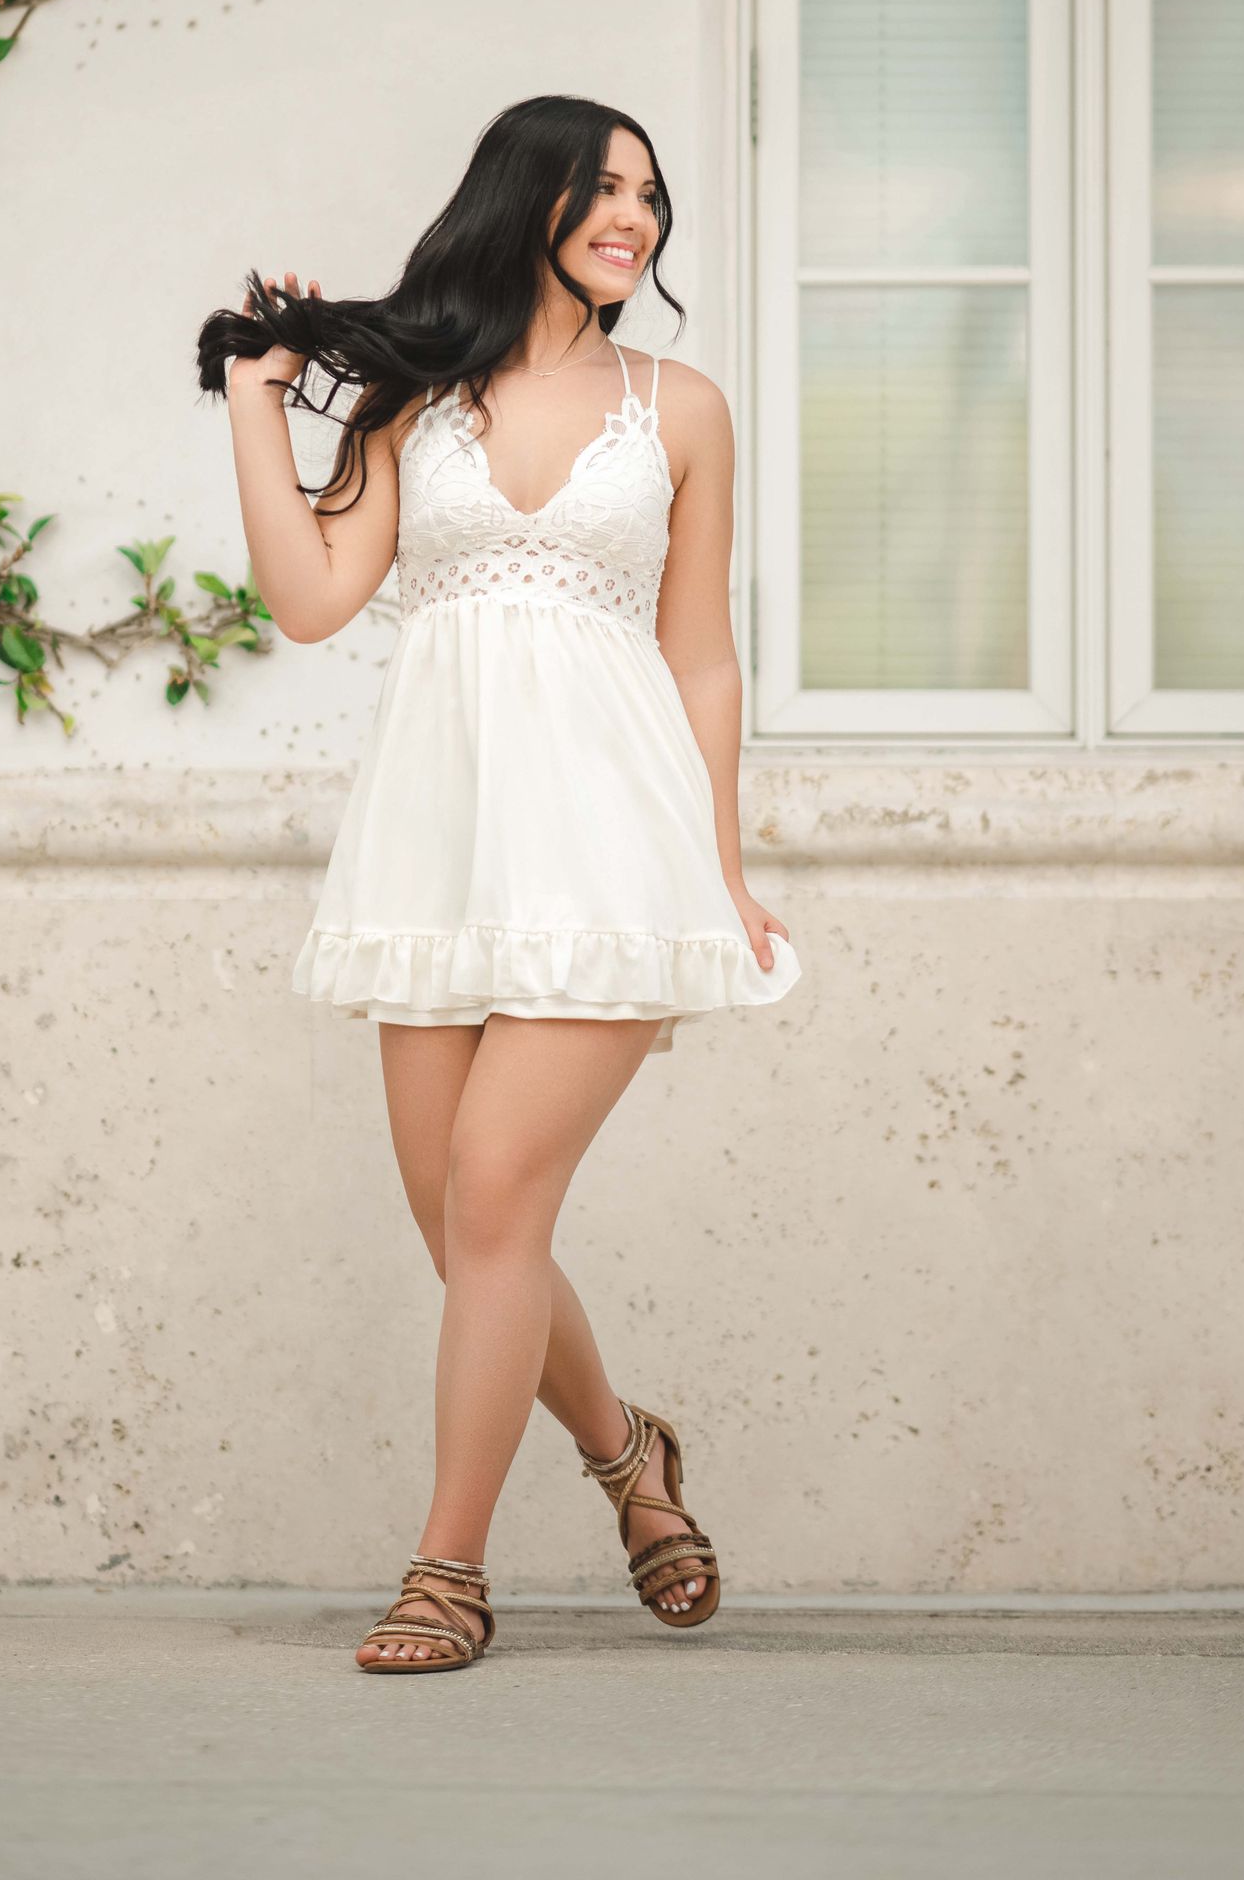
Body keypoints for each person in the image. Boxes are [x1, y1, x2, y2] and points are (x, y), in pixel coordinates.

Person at [198, 94, 801, 1674]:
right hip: (439, 843)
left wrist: (721, 873)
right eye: (606, 189)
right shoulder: (412, 402)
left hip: (614, 846)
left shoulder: (681, 407)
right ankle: (631, 1462)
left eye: (651, 198)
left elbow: (703, 654)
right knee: (464, 1226)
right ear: (523, 195)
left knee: (495, 1198)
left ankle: (445, 1575)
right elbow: (318, 598)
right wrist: (259, 406)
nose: (636, 219)